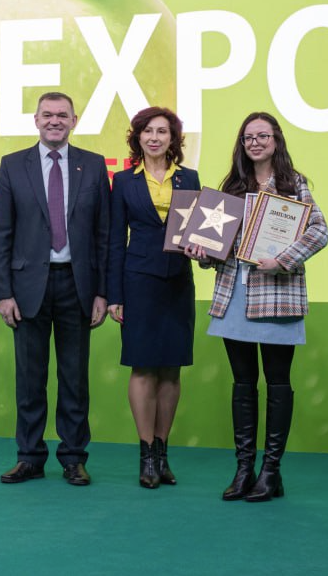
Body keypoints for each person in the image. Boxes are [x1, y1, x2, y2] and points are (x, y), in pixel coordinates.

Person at [185, 111, 328, 502]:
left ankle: (271, 472)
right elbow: (216, 249)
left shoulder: (294, 185)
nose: (255, 143)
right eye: (248, 137)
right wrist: (202, 253)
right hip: (234, 295)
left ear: (276, 140)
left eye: (262, 136)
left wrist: (282, 259)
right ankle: (244, 469)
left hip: (277, 294)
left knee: (278, 382)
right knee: (243, 384)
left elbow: (320, 230)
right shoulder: (230, 188)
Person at [0, 92, 110, 486]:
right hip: (26, 289)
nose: (54, 120)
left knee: (75, 379)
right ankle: (29, 457)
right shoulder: (12, 165)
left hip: (78, 285)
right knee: (30, 379)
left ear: (74, 121)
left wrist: (102, 292)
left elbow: (104, 234)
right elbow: (1, 234)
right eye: (47, 115)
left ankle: (74, 458)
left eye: (62, 115)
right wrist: (3, 293)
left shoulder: (94, 165)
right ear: (36, 120)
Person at [107, 107, 200, 489]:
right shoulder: (123, 181)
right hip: (138, 281)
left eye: (162, 131)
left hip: (178, 280)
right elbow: (115, 240)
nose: (155, 137)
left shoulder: (189, 178)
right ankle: (145, 454)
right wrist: (114, 295)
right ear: (138, 137)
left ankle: (162, 453)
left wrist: (203, 249)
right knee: (143, 367)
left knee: (172, 369)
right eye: (148, 131)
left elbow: (201, 232)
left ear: (173, 138)